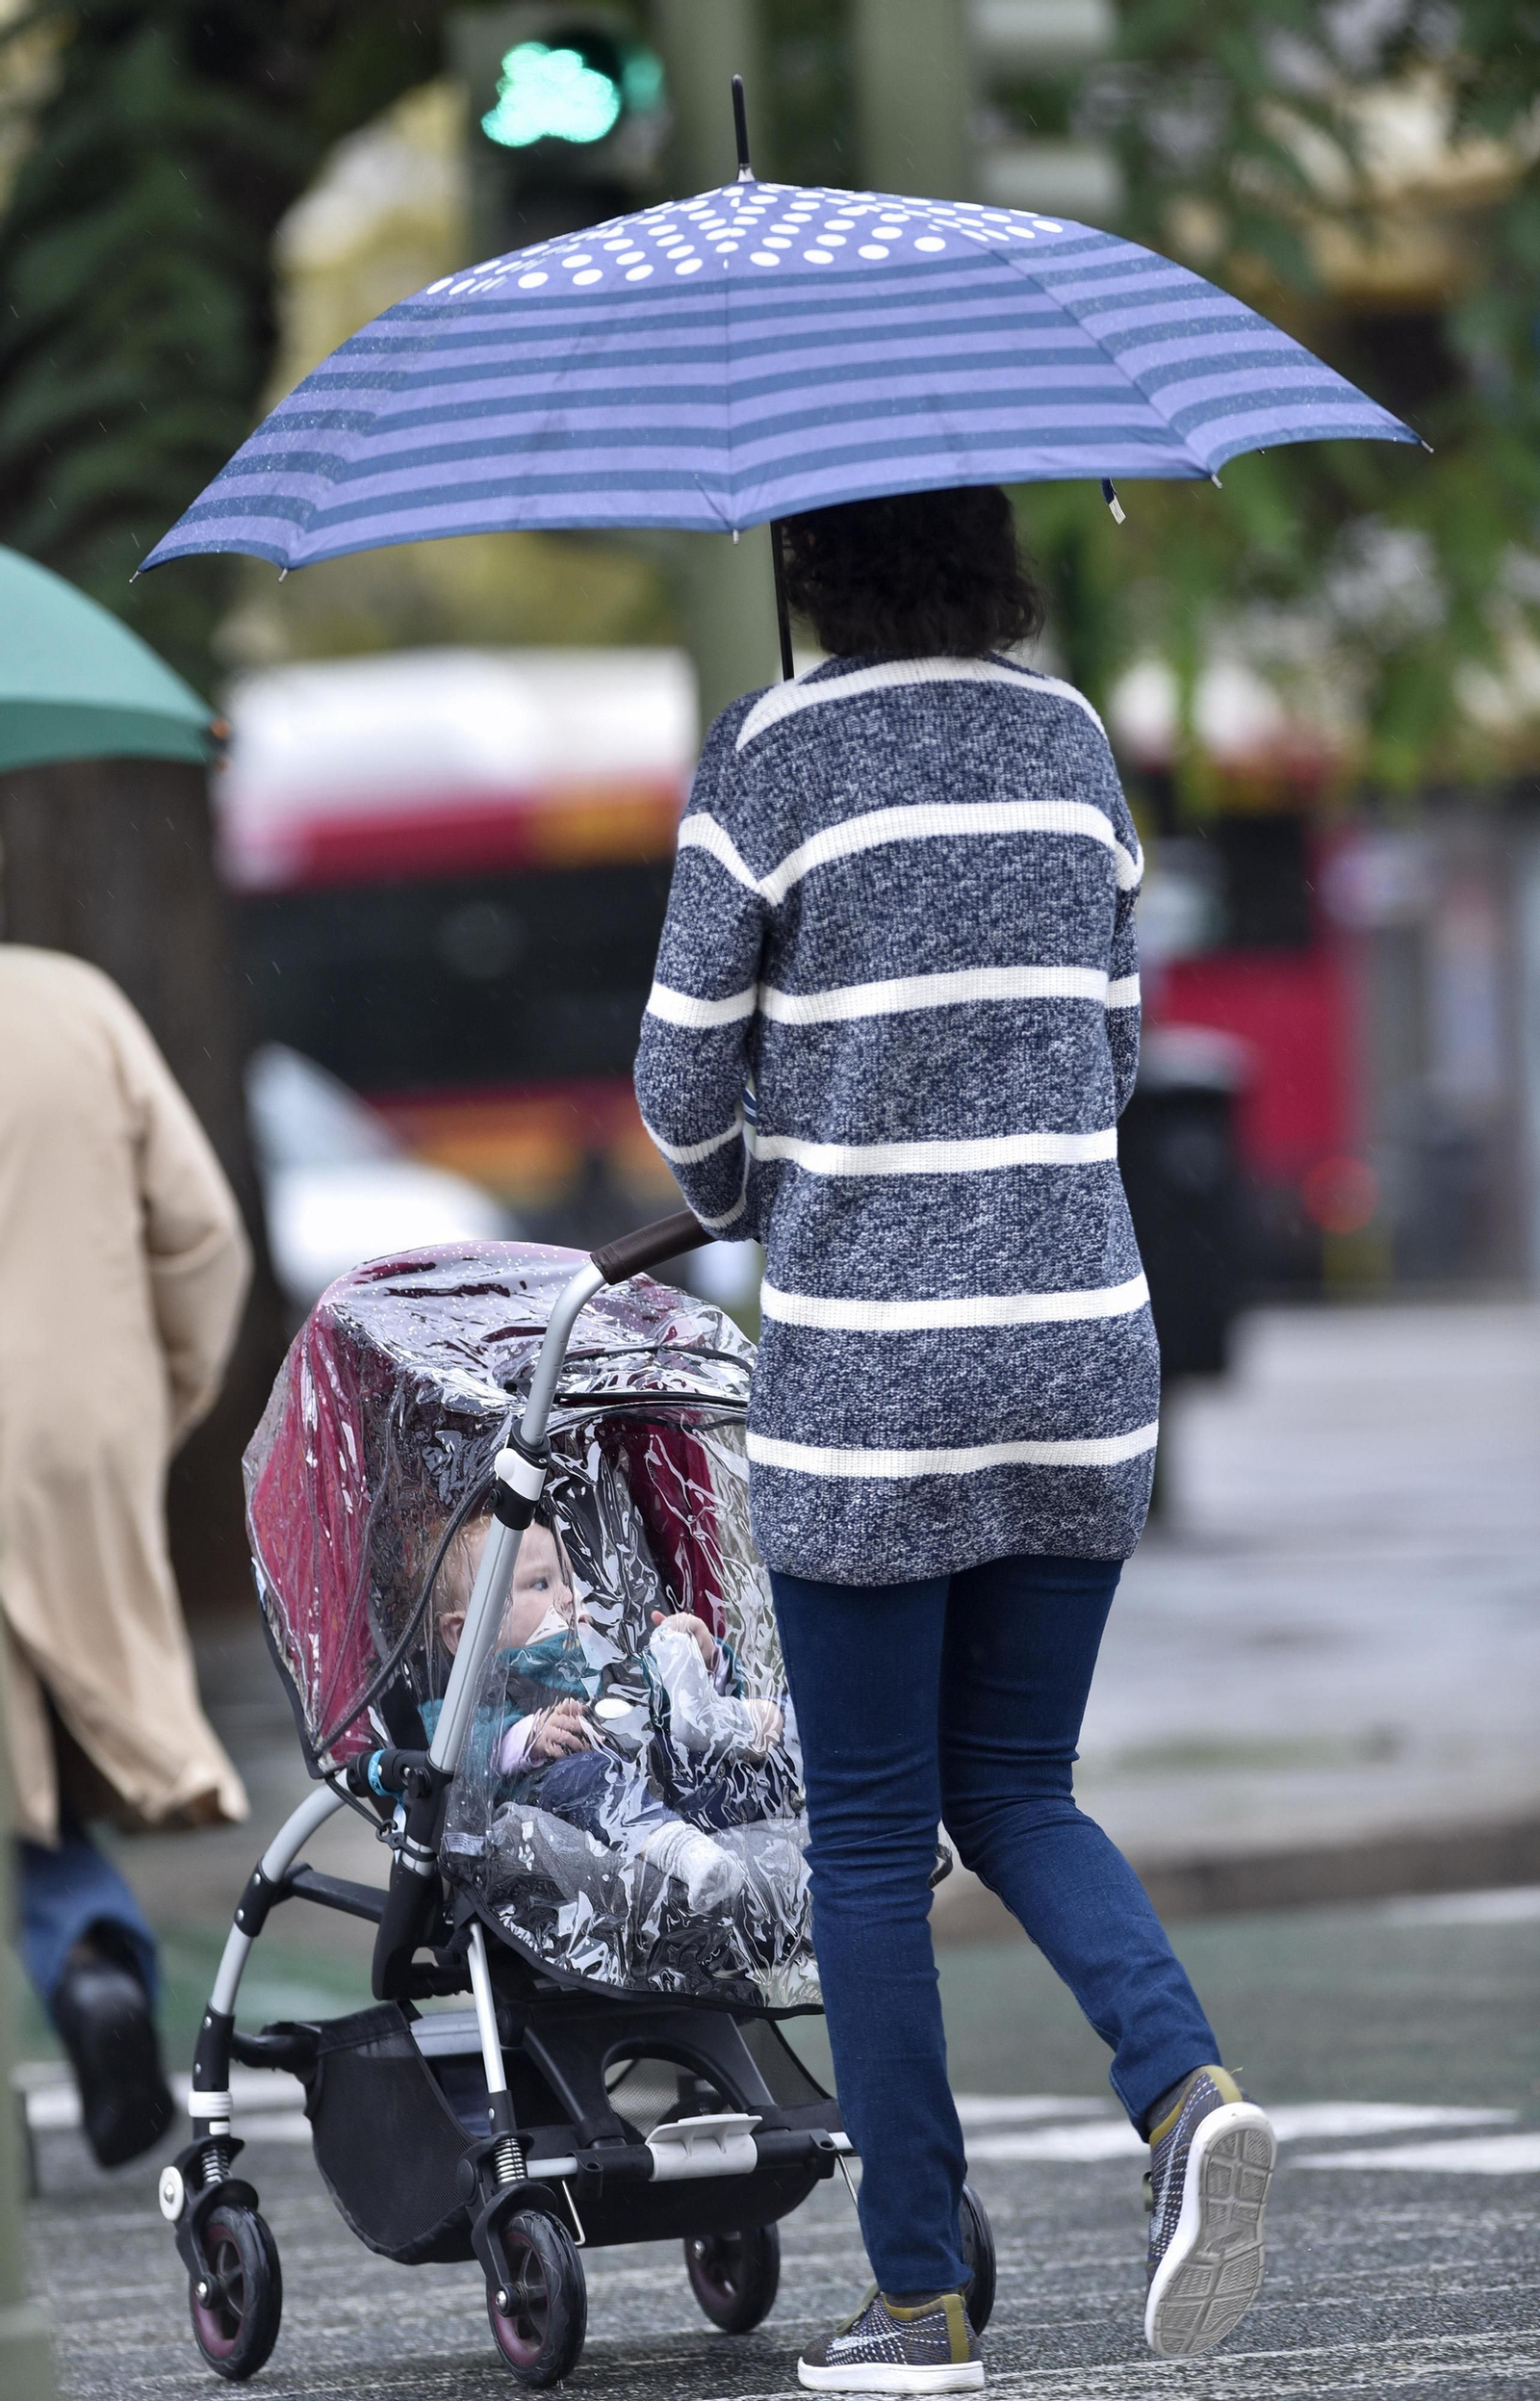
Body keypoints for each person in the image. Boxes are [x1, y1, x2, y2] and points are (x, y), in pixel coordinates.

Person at [634, 487, 1278, 2390]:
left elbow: (681, 1075)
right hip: (1081, 1353)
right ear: (987, 552)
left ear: (813, 558)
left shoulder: (768, 754)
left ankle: (914, 2290)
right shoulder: (1070, 739)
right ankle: (1181, 2092)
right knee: (1019, 1783)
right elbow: (1112, 1041)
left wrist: (760, 1178)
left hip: (871, 1383)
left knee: (866, 1840)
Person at [0, 946, 251, 2168]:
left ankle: (85, 1958)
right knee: (47, 1739)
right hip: (71, 1426)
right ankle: (94, 1957)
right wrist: (152, 1397)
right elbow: (203, 1237)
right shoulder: (76, 1001)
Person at [430, 1515, 792, 1908]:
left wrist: (701, 1663)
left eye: (570, 1580)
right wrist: (526, 1738)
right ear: (462, 1632)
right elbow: (457, 1754)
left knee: (705, 1744)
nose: (569, 1596)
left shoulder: (601, 1664)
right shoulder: (470, 1700)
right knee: (579, 1777)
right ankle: (681, 1850)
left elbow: (654, 1698)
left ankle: (775, 1747)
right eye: (540, 1583)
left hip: (666, 1784)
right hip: (572, 1812)